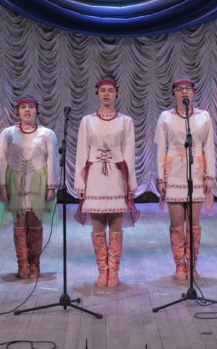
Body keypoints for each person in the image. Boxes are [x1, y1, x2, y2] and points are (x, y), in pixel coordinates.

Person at [74, 76, 138, 288]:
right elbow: (81, 152)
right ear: (97, 93)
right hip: (94, 175)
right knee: (98, 224)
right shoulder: (87, 121)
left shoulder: (125, 121)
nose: (107, 94)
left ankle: (114, 271)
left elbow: (129, 152)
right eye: (103, 90)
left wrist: (131, 183)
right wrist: (79, 183)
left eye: (110, 90)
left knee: (116, 224)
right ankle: (102, 271)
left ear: (117, 94)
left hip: (117, 174)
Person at [154, 78, 215, 280]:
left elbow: (209, 146)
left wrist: (210, 175)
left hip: (196, 171)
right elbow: (160, 148)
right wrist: (160, 178)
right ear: (174, 94)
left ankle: (193, 265)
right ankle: (180, 265)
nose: (184, 92)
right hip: (174, 171)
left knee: (194, 223)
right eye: (179, 89)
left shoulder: (203, 116)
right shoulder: (165, 117)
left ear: (193, 92)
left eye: (187, 89)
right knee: (177, 222)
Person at [0, 95, 58, 280]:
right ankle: (22, 265)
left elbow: (52, 160)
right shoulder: (8, 133)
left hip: (38, 180)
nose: (27, 110)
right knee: (20, 223)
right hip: (15, 181)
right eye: (23, 107)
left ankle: (34, 264)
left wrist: (51, 186)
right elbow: (2, 160)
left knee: (35, 222)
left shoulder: (47, 133)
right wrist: (2, 185)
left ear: (37, 110)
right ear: (18, 111)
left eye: (31, 107)